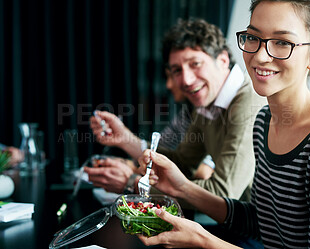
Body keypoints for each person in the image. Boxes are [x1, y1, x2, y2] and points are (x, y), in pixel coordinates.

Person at [137, 0, 310, 248]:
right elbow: (263, 223)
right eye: (253, 37)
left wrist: (204, 241)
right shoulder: (264, 121)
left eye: (282, 42)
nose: (260, 56)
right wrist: (183, 188)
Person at [89, 18, 266, 199]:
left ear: (222, 60)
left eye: (195, 64)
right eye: (177, 70)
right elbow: (183, 163)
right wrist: (125, 139)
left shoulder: (249, 102)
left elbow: (223, 193)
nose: (186, 80)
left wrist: (133, 184)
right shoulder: (207, 103)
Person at [85, 72, 215, 194]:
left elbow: (202, 173)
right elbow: (164, 155)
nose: (169, 85)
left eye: (174, 74)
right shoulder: (186, 114)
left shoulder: (209, 113)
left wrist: (132, 179)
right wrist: (124, 141)